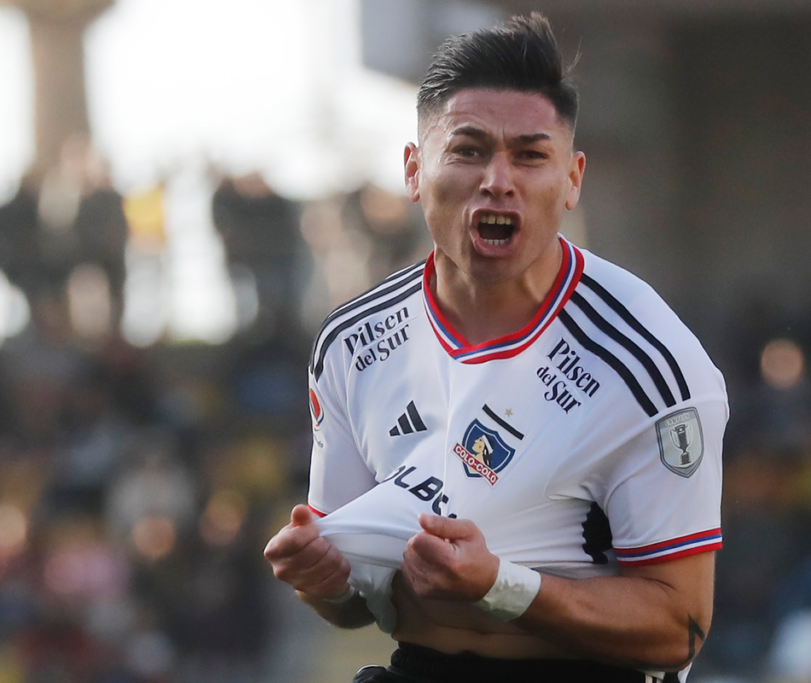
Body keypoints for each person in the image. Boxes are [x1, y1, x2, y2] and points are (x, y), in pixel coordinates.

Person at [264, 13, 727, 683]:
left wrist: (500, 586)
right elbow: (352, 600)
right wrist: (323, 580)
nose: (497, 179)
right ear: (415, 170)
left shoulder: (649, 362)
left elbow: (680, 625)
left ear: (572, 179)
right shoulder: (352, 344)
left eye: (530, 155)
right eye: (470, 149)